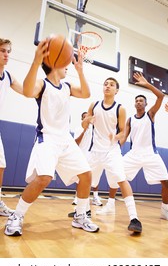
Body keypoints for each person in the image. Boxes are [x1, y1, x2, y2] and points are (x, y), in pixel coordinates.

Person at [4, 39, 99, 236]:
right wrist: (36, 61)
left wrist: (80, 70)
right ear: (57, 63)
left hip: (66, 140)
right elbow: (28, 91)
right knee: (44, 178)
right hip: (47, 138)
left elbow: (86, 93)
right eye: (66, 64)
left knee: (86, 175)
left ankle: (80, 216)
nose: (68, 68)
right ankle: (17, 216)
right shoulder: (42, 84)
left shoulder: (67, 87)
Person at [81, 77, 142, 233]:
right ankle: (83, 211)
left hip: (111, 151)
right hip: (94, 151)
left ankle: (134, 218)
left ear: (117, 90)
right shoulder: (93, 105)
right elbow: (84, 125)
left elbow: (123, 132)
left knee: (122, 180)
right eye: (105, 84)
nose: (107, 86)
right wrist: (87, 120)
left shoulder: (120, 109)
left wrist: (116, 137)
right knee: (85, 181)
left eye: (111, 85)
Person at [121, 72, 168, 221]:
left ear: (145, 104)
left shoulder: (150, 114)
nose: (138, 102)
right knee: (117, 174)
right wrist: (116, 148)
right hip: (134, 154)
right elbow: (124, 137)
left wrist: (147, 84)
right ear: (134, 104)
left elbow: (161, 96)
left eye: (141, 100)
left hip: (151, 154)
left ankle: (165, 210)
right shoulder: (130, 120)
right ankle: (109, 204)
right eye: (136, 100)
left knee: (166, 182)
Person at [0, 38, 23, 216]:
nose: (6, 54)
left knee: (1, 165)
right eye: (3, 51)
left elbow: (27, 91)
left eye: (8, 51)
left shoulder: (7, 76)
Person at [72, 111, 103, 207]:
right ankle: (77, 197)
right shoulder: (78, 129)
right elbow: (76, 143)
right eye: (85, 117)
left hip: (93, 155)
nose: (87, 119)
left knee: (96, 176)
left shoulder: (96, 130)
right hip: (81, 155)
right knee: (80, 177)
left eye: (88, 117)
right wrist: (84, 131)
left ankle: (95, 197)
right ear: (82, 119)